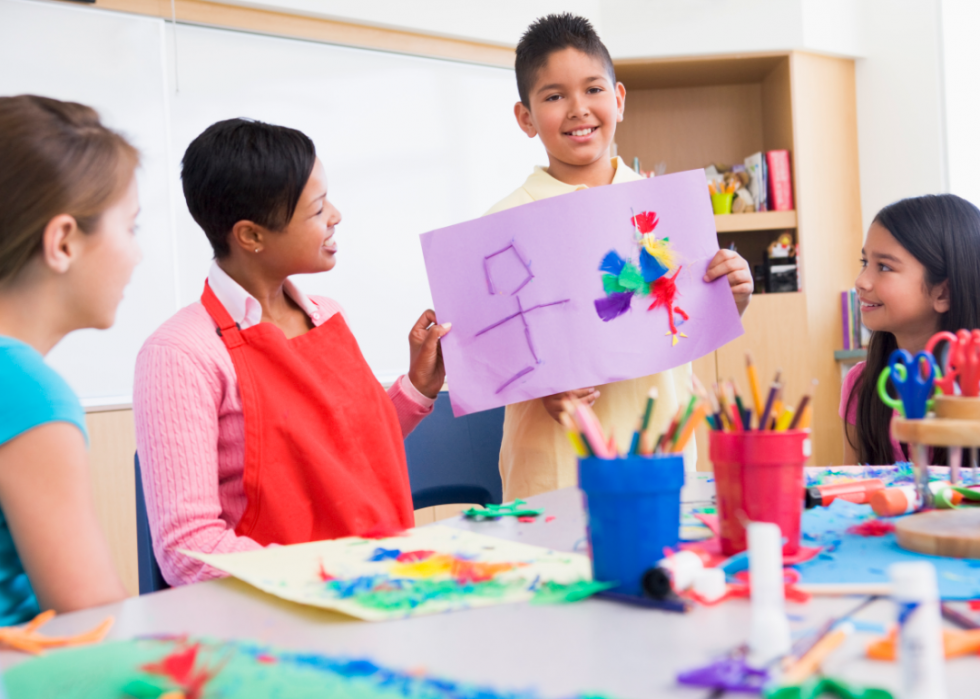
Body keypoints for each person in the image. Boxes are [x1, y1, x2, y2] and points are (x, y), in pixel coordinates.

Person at [134, 119, 449, 586]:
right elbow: (188, 548)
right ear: (251, 236)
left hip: (384, 587)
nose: (336, 215)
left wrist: (417, 387)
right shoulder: (180, 353)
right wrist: (335, 579)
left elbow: (341, 453)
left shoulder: (326, 314)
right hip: (284, 618)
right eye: (317, 208)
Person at [487, 14, 753, 500]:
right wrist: (541, 385)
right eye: (553, 96)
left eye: (593, 90)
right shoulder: (501, 226)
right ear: (525, 117)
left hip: (658, 458)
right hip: (553, 474)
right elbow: (493, 358)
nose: (577, 109)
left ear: (619, 99)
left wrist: (730, 299)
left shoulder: (669, 210)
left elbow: (683, 328)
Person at [0, 95, 138, 619]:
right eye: (132, 227)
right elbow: (92, 616)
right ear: (62, 241)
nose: (137, 253)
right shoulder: (25, 389)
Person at [842, 194, 980, 465]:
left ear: (943, 292)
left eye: (884, 267)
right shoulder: (862, 384)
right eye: (864, 263)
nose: (861, 281)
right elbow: (849, 489)